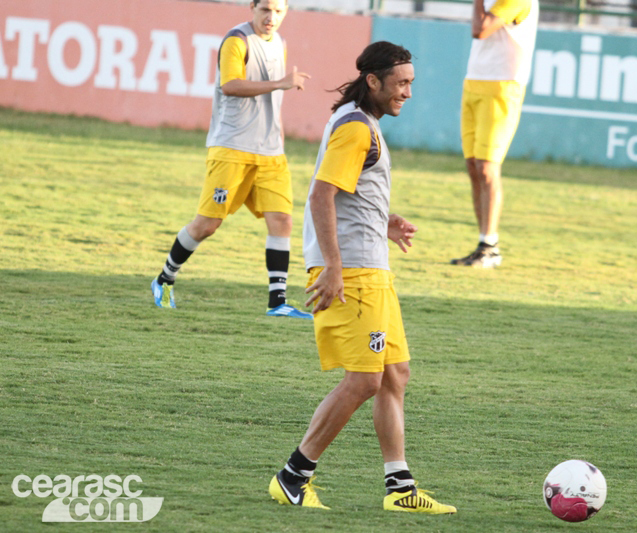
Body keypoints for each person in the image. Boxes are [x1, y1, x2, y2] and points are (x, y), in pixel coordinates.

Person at [268, 41, 456, 514]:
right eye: (401, 83)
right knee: (365, 381)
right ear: (373, 81)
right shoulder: (356, 128)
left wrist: (382, 221)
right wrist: (332, 266)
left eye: (411, 83)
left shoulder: (359, 119)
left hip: (371, 265)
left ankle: (400, 489)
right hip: (352, 272)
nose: (408, 92)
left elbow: (350, 191)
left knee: (395, 375)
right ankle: (293, 476)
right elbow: (320, 196)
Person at [150, 0, 312, 319]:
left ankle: (277, 302)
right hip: (232, 147)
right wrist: (281, 83)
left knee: (282, 220)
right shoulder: (236, 41)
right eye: (265, 9)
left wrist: (277, 135)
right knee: (208, 224)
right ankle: (164, 278)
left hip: (270, 152)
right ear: (252, 7)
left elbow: (273, 100)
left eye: (278, 11)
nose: (271, 17)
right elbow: (231, 85)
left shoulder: (279, 43)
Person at [452, 0, 539, 268]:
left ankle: (490, 246)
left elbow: (481, 29)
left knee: (488, 168)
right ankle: (483, 244)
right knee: (473, 166)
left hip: (503, 86)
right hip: (475, 80)